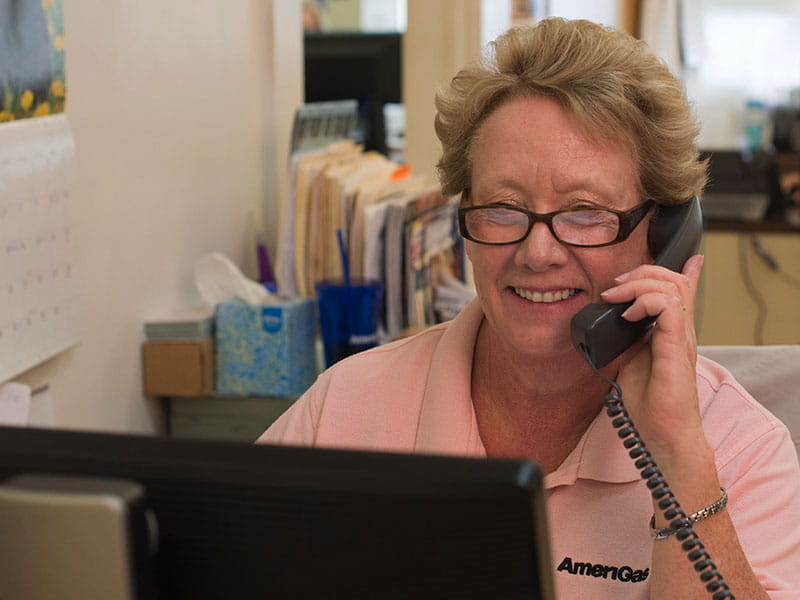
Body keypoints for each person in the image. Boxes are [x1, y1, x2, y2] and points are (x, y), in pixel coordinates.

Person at [259, 18, 800, 599]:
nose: (538, 253)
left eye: (586, 211)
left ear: (665, 234)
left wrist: (678, 461)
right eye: (502, 207)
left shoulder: (740, 447)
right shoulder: (344, 410)